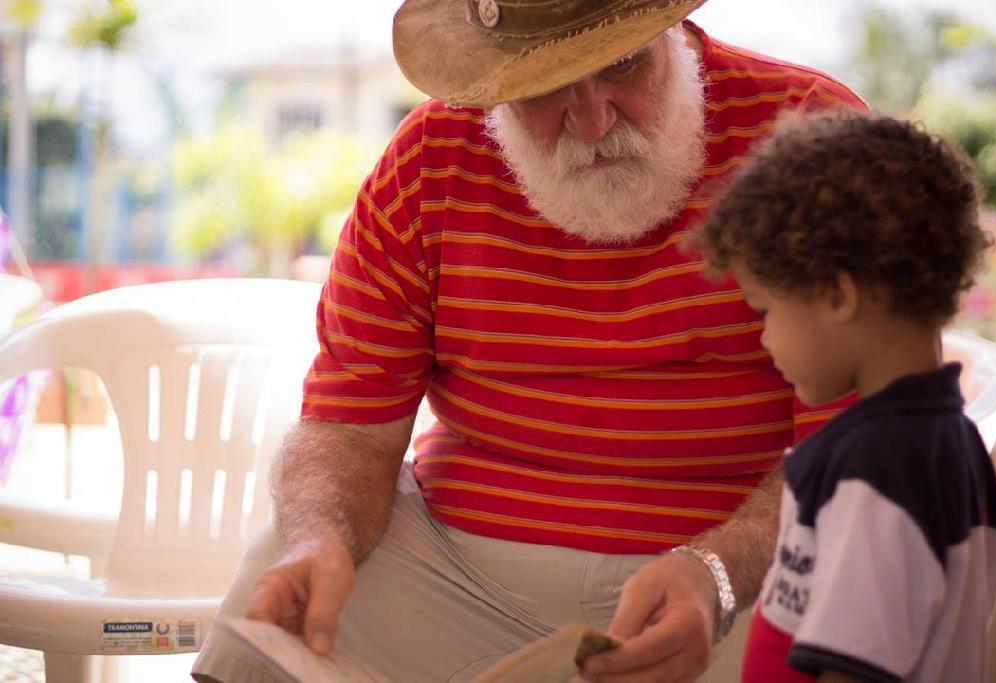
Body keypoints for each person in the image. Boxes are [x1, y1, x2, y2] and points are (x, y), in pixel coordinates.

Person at [192, 2, 868, 681]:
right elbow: (350, 426)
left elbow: (855, 443)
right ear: (495, 78)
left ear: (671, 27)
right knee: (286, 569)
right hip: (456, 577)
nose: (594, 119)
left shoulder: (810, 136)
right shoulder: (428, 159)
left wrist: (717, 577)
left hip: (735, 576)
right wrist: (322, 536)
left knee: (849, 581)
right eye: (544, 86)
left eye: (623, 64)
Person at [603, 111, 996, 682]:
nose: (765, 338)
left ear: (838, 296)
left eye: (766, 310)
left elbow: (856, 667)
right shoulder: (955, 442)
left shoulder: (867, 471)